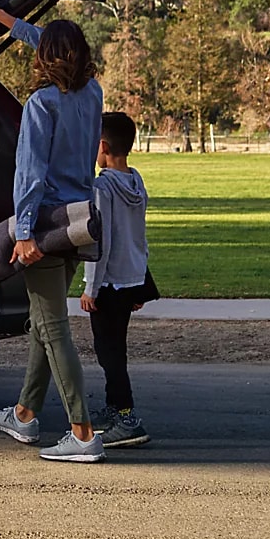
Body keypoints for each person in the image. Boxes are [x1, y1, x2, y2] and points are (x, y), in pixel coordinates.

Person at [0, 0, 105, 464]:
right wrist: (0, 16)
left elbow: (30, 174)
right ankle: (24, 414)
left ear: (47, 60)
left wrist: (22, 233)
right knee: (44, 323)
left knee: (54, 328)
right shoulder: (92, 94)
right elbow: (56, 43)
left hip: (43, 225)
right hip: (77, 222)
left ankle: (83, 432)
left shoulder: (42, 105)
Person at [81, 112, 152, 448]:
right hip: (129, 279)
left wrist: (89, 288)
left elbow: (101, 241)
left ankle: (126, 417)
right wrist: (141, 283)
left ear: (103, 146)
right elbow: (138, 237)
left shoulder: (102, 188)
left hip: (109, 284)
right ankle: (113, 408)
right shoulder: (137, 182)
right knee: (115, 347)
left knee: (109, 353)